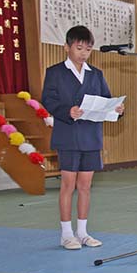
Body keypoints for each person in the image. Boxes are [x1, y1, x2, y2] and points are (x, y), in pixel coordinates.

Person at [42, 26, 125, 250]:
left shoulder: (96, 74)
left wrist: (117, 109)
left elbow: (107, 100)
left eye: (88, 49)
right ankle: (66, 234)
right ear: (67, 47)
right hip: (68, 136)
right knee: (68, 184)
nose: (83, 53)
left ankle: (83, 232)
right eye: (79, 48)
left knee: (86, 186)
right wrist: (67, 111)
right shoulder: (55, 72)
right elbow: (48, 100)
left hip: (91, 136)